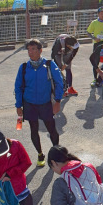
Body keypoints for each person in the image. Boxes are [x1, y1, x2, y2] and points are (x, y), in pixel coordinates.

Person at [14, 38, 65, 167]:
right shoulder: (24, 67)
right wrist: (18, 105)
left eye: (33, 49)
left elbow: (59, 83)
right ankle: (40, 154)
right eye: (28, 50)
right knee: (33, 129)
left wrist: (57, 101)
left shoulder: (49, 65)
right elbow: (18, 87)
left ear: (40, 50)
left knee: (52, 129)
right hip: (29, 104)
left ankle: (56, 153)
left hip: (45, 103)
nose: (30, 52)